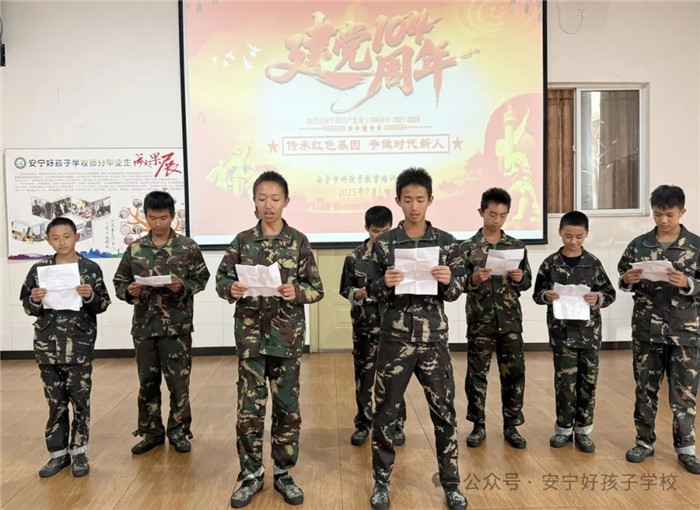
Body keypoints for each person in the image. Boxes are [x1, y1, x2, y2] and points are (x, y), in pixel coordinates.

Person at [216, 171, 324, 508]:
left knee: (287, 410)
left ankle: (283, 473)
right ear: (254, 201)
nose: (268, 205)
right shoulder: (242, 241)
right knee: (248, 411)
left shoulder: (299, 242)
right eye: (262, 198)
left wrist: (296, 292)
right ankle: (251, 474)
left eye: (275, 198)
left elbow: (316, 289)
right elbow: (221, 280)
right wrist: (231, 289)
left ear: (286, 201)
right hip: (251, 342)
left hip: (286, 341)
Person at [367, 167, 467, 510]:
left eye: (420, 200)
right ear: (397, 200)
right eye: (407, 200)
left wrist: (448, 279)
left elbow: (456, 290)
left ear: (430, 200)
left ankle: (451, 484)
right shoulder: (384, 243)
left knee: (444, 413)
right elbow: (370, 289)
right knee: (385, 413)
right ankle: (382, 483)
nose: (413, 206)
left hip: (433, 340)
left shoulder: (447, 242)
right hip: (395, 339)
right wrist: (384, 283)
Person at [113, 191, 210, 455]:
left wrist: (182, 286)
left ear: (172, 216)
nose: (158, 223)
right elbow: (120, 282)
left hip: (177, 327)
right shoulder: (135, 249)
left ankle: (179, 432)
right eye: (153, 218)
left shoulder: (187, 247)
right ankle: (151, 433)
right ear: (146, 216)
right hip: (145, 327)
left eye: (163, 218)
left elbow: (202, 278)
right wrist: (128, 291)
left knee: (178, 383)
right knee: (147, 383)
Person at [19, 217, 111, 477]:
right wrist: (35, 299)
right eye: (55, 238)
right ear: (48, 240)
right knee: (55, 403)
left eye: (67, 236)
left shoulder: (90, 268)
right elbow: (27, 306)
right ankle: (57, 455)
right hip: (47, 347)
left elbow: (103, 303)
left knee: (80, 401)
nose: (62, 242)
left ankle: (79, 453)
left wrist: (90, 296)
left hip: (79, 345)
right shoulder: (39, 269)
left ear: (76, 237)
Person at [618, 184, 700, 474]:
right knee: (645, 389)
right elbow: (622, 276)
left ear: (682, 212)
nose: (663, 220)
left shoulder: (696, 246)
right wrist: (627, 279)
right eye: (657, 214)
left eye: (669, 215)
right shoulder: (639, 244)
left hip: (684, 332)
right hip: (647, 330)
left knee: (684, 393)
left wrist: (689, 284)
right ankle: (644, 442)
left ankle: (686, 449)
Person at [533, 211, 616, 452]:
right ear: (560, 232)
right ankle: (563, 429)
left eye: (579, 237)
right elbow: (537, 294)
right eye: (568, 236)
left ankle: (583, 431)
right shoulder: (550, 263)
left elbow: (609, 293)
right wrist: (546, 296)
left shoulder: (593, 263)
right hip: (561, 335)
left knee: (588, 383)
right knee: (565, 384)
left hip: (589, 335)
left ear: (586, 234)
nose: (573, 241)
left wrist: (598, 297)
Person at [459, 187, 531, 449]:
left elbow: (527, 282)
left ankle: (511, 425)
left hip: (510, 321)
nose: (497, 220)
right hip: (480, 321)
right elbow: (456, 285)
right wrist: (473, 278)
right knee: (476, 375)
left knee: (514, 374)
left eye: (502, 215)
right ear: (481, 212)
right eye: (492, 214)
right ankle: (478, 425)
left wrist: (520, 278)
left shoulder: (517, 246)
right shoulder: (467, 247)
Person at [339, 206, 407, 447]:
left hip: (393, 327)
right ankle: (363, 425)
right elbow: (345, 289)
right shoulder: (354, 257)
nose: (380, 236)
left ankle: (396, 426)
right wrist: (358, 294)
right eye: (376, 231)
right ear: (366, 228)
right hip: (364, 328)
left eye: (385, 231)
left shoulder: (399, 256)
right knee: (364, 379)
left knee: (394, 378)